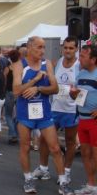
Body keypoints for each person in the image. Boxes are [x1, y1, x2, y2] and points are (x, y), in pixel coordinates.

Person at [12, 36, 74, 195]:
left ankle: (63, 182)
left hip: (44, 112)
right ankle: (28, 179)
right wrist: (34, 80)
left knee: (55, 147)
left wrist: (38, 89)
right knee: (25, 147)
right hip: (25, 113)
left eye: (44, 47)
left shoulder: (47, 64)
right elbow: (16, 91)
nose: (42, 51)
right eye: (39, 47)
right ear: (30, 47)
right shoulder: (20, 65)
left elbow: (54, 88)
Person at [33, 36, 80, 183]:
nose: (67, 50)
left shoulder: (80, 66)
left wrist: (76, 98)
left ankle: (66, 172)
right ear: (62, 48)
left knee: (70, 142)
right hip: (54, 108)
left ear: (76, 49)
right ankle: (43, 169)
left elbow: (83, 90)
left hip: (71, 110)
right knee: (43, 139)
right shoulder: (58, 62)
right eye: (65, 47)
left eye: (71, 48)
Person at [69, 45, 97, 195]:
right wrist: (73, 94)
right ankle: (91, 185)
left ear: (93, 59)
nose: (80, 59)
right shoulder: (81, 74)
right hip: (83, 119)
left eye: (84, 56)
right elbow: (76, 97)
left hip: (95, 122)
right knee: (86, 154)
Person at [5, 49, 20, 145]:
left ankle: (13, 134)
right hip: (19, 92)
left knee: (8, 114)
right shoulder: (21, 68)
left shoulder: (8, 68)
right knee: (18, 115)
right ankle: (16, 133)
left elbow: (4, 81)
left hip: (9, 92)